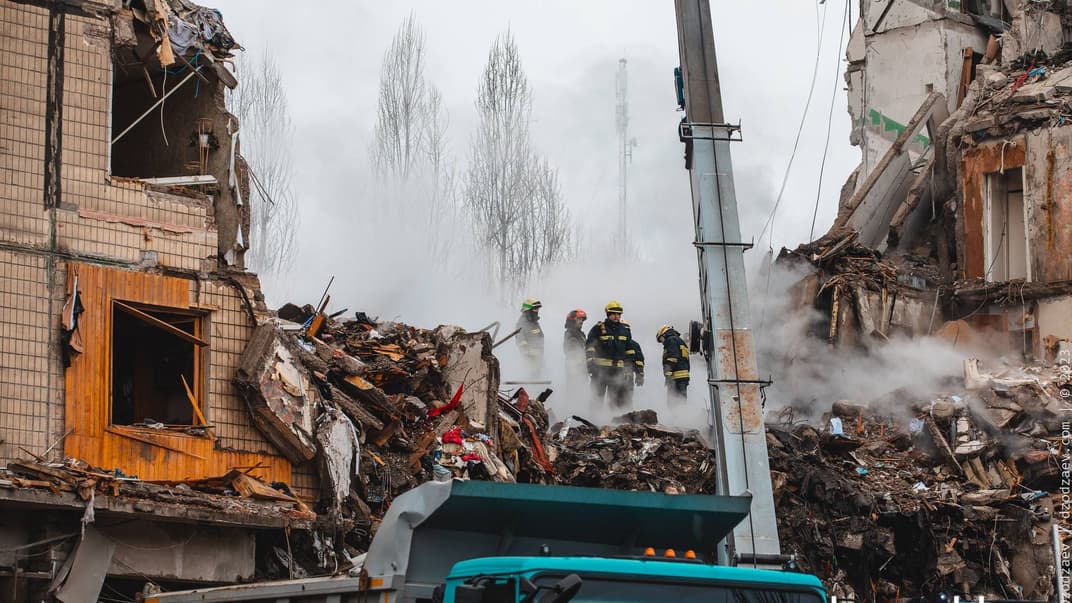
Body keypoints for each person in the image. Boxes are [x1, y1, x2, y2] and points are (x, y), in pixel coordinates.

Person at [585, 300, 644, 409]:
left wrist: (631, 369)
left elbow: (630, 350)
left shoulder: (624, 330)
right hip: (600, 370)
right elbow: (589, 345)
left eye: (619, 314)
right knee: (597, 398)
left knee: (615, 400)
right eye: (614, 314)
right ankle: (594, 422)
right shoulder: (598, 328)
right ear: (608, 314)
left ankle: (613, 422)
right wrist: (589, 360)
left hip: (617, 371)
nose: (617, 316)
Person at [657, 324, 690, 404]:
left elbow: (672, 358)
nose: (662, 342)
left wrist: (668, 374)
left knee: (673, 403)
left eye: (660, 339)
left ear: (664, 334)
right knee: (681, 402)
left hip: (675, 377)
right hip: (683, 377)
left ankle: (676, 416)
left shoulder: (671, 340)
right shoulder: (680, 341)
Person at [516, 298, 544, 377]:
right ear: (528, 310)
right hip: (530, 362)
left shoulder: (534, 323)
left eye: (537, 309)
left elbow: (539, 338)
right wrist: (529, 355)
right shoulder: (522, 323)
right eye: (535, 309)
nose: (537, 311)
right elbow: (520, 342)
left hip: (538, 361)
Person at [563, 309, 588, 391]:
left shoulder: (580, 334)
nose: (581, 321)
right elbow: (572, 351)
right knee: (574, 391)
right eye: (579, 319)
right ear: (572, 320)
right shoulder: (570, 333)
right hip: (575, 369)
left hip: (582, 368)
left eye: (582, 320)